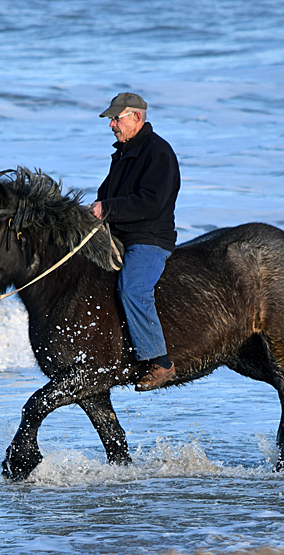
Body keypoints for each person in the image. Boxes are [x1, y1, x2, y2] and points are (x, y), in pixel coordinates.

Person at [90, 92, 180, 391]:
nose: (112, 125)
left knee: (133, 289)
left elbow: (151, 203)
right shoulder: (123, 153)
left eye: (117, 118)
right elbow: (106, 195)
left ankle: (161, 362)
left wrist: (108, 208)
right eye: (111, 120)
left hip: (149, 239)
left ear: (137, 117)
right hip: (119, 235)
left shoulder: (158, 153)